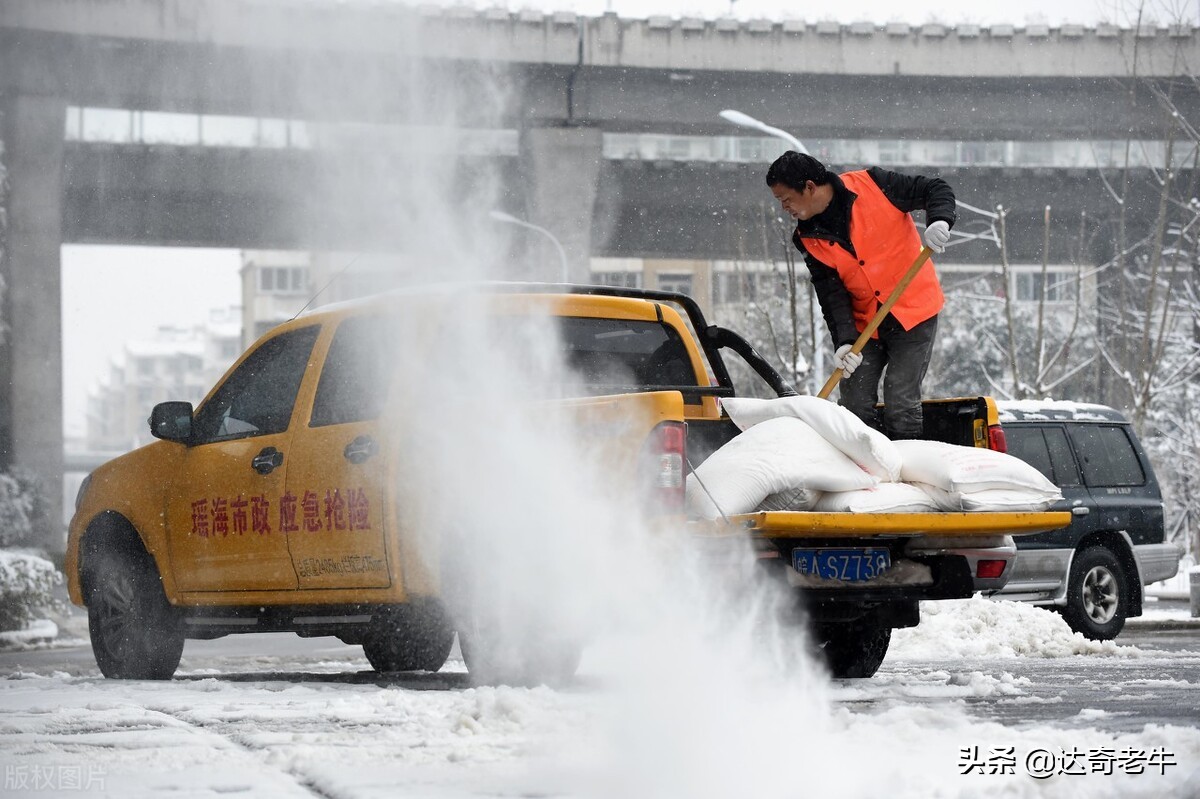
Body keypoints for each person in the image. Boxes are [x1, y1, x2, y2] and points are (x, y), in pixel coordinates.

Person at [765, 151, 955, 440]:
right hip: (866, 322)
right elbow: (831, 293)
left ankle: (907, 474)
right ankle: (866, 469)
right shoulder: (806, 236)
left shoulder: (873, 185)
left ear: (809, 187)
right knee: (853, 404)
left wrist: (939, 219)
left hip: (913, 309)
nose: (784, 208)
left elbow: (934, 188)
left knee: (901, 402)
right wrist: (844, 341)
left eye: (786, 199)